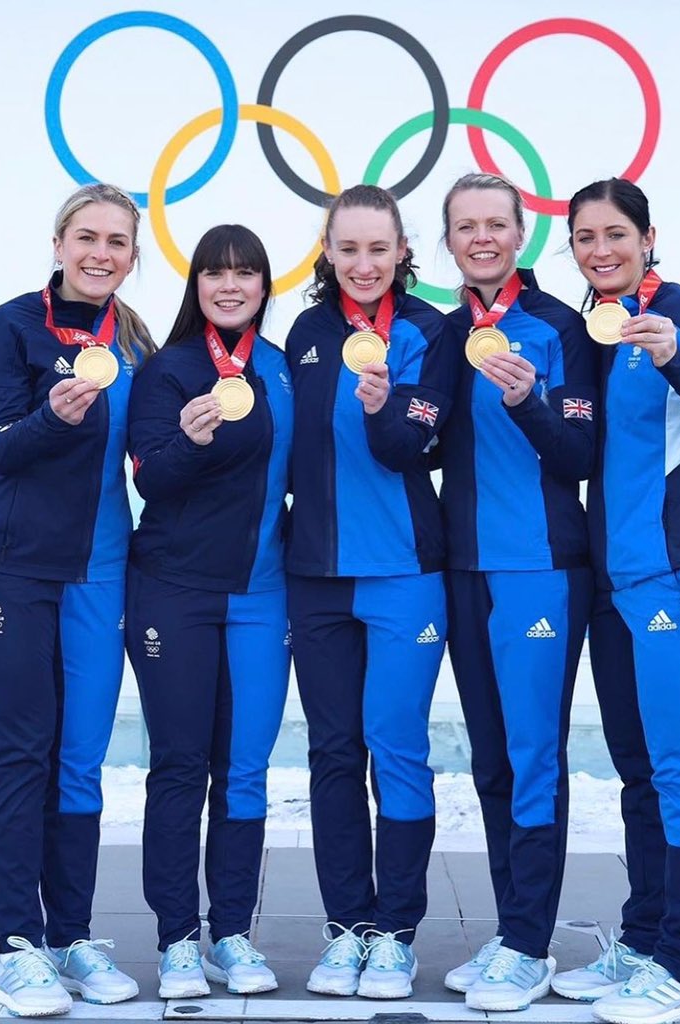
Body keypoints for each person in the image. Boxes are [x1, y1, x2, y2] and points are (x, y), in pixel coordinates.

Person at [550, 178, 680, 1024]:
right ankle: (644, 940)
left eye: (614, 234)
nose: (599, 251)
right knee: (638, 770)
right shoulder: (592, 332)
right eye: (583, 238)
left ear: (647, 236)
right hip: (617, 581)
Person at [0, 183, 154, 1017]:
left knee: (80, 756)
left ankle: (70, 935)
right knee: (23, 748)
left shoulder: (138, 343)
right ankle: (14, 945)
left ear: (133, 255)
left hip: (101, 571)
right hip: (12, 565)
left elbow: (155, 457)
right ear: (59, 241)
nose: (100, 252)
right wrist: (55, 414)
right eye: (87, 236)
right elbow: (2, 447)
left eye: (116, 241)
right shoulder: (11, 326)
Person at [285, 184, 452, 999]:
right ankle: (347, 926)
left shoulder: (431, 330)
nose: (362, 264)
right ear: (327, 250)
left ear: (400, 251)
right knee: (332, 753)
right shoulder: (305, 333)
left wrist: (388, 408)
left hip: (406, 575)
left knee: (397, 747)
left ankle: (396, 931)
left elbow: (420, 443)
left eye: (377, 249)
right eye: (347, 249)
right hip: (315, 576)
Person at [434, 173, 596, 1011]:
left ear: (521, 234)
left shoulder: (559, 326)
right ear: (451, 239)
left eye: (496, 224)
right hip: (465, 572)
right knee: (493, 760)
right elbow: (420, 441)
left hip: (540, 568)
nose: (483, 238)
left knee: (535, 757)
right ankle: (510, 930)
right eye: (467, 226)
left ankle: (531, 944)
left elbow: (581, 454)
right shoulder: (443, 328)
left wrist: (531, 399)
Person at [125, 225, 292, 1000]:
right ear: (196, 285)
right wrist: (189, 442)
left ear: (264, 284)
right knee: (181, 767)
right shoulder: (170, 370)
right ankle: (176, 940)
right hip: (175, 591)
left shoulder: (284, 370)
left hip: (262, 595)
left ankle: (231, 932)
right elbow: (151, 479)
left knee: (247, 772)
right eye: (215, 274)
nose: (231, 286)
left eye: (245, 273)